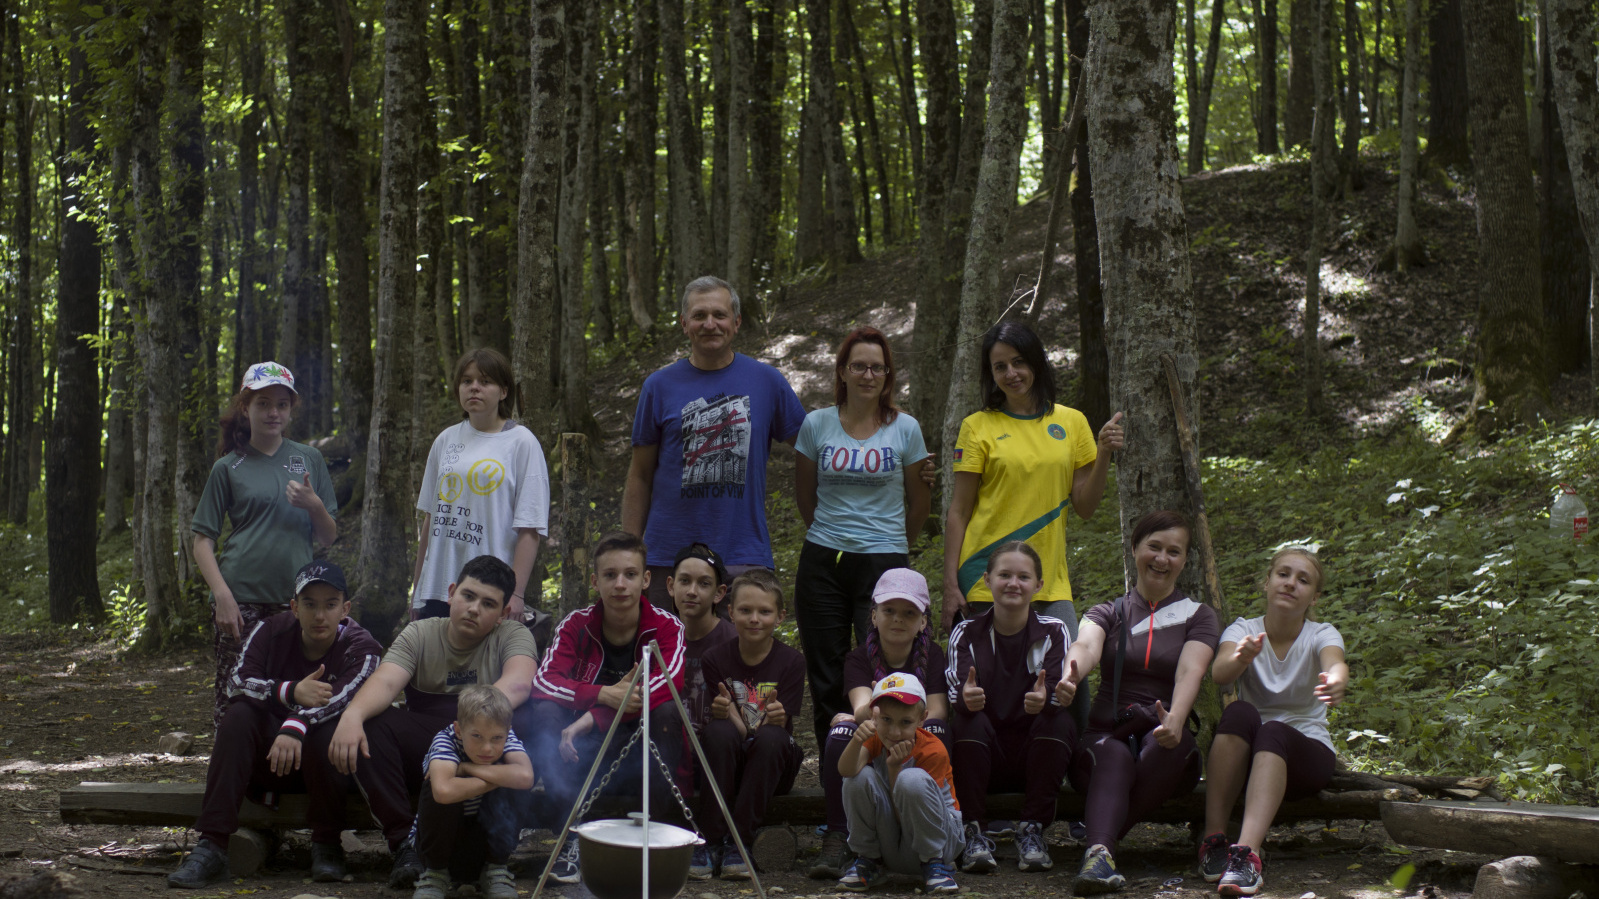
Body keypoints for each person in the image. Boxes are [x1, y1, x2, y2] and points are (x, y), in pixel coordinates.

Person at [328, 555, 538, 889]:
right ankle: (404, 846)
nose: (474, 609)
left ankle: (494, 860)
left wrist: (470, 738)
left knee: (526, 720)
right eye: (468, 596)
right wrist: (352, 715)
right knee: (371, 724)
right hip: (429, 743)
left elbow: (518, 684)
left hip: (485, 745)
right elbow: (386, 681)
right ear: (451, 593)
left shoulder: (513, 635)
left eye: (488, 604)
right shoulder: (420, 633)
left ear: (502, 614)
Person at [167, 561, 380, 889]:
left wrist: (296, 723)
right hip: (270, 764)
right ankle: (212, 845)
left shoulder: (360, 645)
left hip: (329, 771)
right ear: (294, 607)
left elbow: (348, 696)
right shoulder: (270, 630)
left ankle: (327, 844)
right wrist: (290, 691)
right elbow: (236, 682)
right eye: (309, 604)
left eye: (330, 605)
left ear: (345, 609)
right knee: (238, 715)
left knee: (332, 728)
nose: (319, 615)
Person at [1058, 510, 1220, 895]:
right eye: (1154, 547)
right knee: (1113, 755)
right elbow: (1085, 646)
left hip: (1165, 739)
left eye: (1174, 552)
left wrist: (1176, 718)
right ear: (1134, 549)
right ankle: (1100, 853)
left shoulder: (1198, 616)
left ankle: (1101, 842)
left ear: (1184, 560)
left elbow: (1191, 671)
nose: (1162, 559)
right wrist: (1071, 675)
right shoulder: (1107, 612)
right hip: (1104, 739)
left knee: (1172, 745)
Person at [622, 276, 807, 609]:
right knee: (667, 644)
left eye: (719, 315)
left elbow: (813, 448)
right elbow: (640, 474)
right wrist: (630, 553)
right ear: (684, 324)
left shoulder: (767, 382)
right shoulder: (658, 387)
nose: (710, 324)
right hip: (667, 559)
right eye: (699, 315)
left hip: (743, 555)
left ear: (736, 322)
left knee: (742, 644)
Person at [794, 327, 933, 764]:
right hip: (823, 562)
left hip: (883, 562)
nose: (868, 375)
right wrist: (832, 533)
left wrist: (892, 545)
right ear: (842, 371)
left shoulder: (905, 428)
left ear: (888, 374)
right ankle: (837, 778)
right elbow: (805, 495)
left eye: (877, 367)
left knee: (884, 666)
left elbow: (920, 503)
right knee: (827, 675)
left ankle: (889, 771)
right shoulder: (817, 424)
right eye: (858, 366)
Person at [941, 321, 1124, 638]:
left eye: (1018, 362)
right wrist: (950, 585)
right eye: (1000, 367)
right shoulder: (976, 426)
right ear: (991, 374)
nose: (1011, 373)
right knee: (991, 670)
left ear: (1036, 362)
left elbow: (1085, 507)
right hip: (987, 576)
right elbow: (959, 511)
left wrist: (1104, 453)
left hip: (1048, 580)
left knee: (1068, 667)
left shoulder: (1072, 422)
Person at [527, 531, 686, 885]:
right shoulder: (576, 625)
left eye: (630, 574)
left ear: (646, 579)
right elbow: (545, 682)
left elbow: (667, 685)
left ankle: (656, 835)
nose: (620, 585)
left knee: (666, 712)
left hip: (642, 748)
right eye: (610, 575)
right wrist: (602, 694)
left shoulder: (666, 626)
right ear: (595, 581)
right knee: (546, 712)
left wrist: (593, 716)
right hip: (582, 751)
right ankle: (569, 837)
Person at [193, 361, 338, 727]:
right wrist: (222, 596)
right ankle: (232, 758)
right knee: (235, 691)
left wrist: (314, 505)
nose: (274, 412)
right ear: (246, 407)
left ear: (291, 409)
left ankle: (284, 756)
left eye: (282, 404)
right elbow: (202, 540)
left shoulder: (309, 459)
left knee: (292, 690)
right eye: (263, 403)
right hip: (240, 600)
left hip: (296, 601)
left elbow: (328, 536)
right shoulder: (228, 467)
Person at [1198, 548, 1347, 896]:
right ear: (1267, 582)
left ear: (1314, 597)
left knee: (1274, 731)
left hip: (1305, 756)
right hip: (1252, 760)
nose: (1291, 583)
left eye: (1303, 580)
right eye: (1283, 574)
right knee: (1239, 712)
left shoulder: (1321, 633)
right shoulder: (1243, 630)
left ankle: (1246, 856)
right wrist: (1241, 657)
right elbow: (1220, 674)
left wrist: (1336, 680)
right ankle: (1214, 840)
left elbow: (1335, 662)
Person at [946, 542, 1075, 875]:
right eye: (1004, 575)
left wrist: (1047, 699)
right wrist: (964, 698)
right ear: (987, 580)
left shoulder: (1054, 631)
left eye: (1023, 577)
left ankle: (1032, 830)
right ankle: (973, 831)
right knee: (966, 721)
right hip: (982, 757)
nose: (1013, 584)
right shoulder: (966, 632)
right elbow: (955, 691)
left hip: (1034, 757)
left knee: (1059, 722)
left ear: (1038, 585)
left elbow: (1060, 691)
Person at [812, 567, 950, 879]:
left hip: (915, 737)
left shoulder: (933, 654)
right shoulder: (859, 657)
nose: (898, 619)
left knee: (937, 730)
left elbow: (938, 710)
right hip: (879, 741)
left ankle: (937, 828)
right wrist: (878, 719)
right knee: (842, 733)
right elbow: (862, 709)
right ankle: (840, 834)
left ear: (923, 621)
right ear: (874, 616)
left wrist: (902, 724)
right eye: (889, 611)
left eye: (909, 612)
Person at [412, 348, 550, 624]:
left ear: (503, 391)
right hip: (438, 588)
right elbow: (431, 516)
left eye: (485, 381)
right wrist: (417, 589)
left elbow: (530, 526)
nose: (474, 387)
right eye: (467, 381)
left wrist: (516, 594)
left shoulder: (522, 442)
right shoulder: (445, 440)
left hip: (489, 592)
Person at [695, 571, 807, 880]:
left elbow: (773, 730)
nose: (754, 619)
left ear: (780, 616)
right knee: (717, 730)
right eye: (745, 610)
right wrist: (724, 711)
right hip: (732, 759)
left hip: (772, 764)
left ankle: (739, 843)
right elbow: (741, 732)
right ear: (731, 612)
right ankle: (711, 840)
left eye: (764, 611)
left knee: (771, 737)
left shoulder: (792, 662)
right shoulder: (714, 658)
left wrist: (777, 715)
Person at [836, 673, 963, 894]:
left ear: (922, 719)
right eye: (886, 720)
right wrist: (856, 740)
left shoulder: (932, 750)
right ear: (874, 715)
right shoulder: (875, 737)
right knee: (857, 777)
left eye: (905, 722)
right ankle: (869, 861)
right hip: (894, 846)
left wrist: (895, 769)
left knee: (910, 779)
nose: (894, 733)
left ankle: (936, 866)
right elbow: (846, 771)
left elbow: (910, 816)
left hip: (940, 842)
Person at [409, 685, 534, 899]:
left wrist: (467, 768)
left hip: (484, 848)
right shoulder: (445, 740)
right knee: (436, 784)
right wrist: (499, 778)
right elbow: (443, 791)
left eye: (497, 738)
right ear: (459, 730)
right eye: (476, 736)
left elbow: (525, 777)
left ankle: (495, 871)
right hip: (442, 847)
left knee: (516, 784)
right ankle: (434, 876)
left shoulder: (506, 737)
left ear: (507, 731)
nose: (487, 748)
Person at [670, 542, 736, 736]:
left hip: (720, 743)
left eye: (704, 583)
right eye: (684, 581)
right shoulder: (659, 638)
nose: (692, 591)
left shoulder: (734, 640)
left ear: (719, 593)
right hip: (671, 742)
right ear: (671, 586)